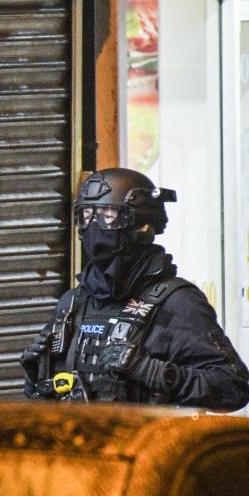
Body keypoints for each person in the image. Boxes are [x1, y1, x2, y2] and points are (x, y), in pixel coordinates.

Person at [20, 167, 249, 410]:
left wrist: (154, 372)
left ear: (143, 227)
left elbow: (233, 386)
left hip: (144, 445)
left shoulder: (178, 302)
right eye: (87, 216)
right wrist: (37, 378)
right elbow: (56, 394)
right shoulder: (73, 302)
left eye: (108, 216)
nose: (94, 226)